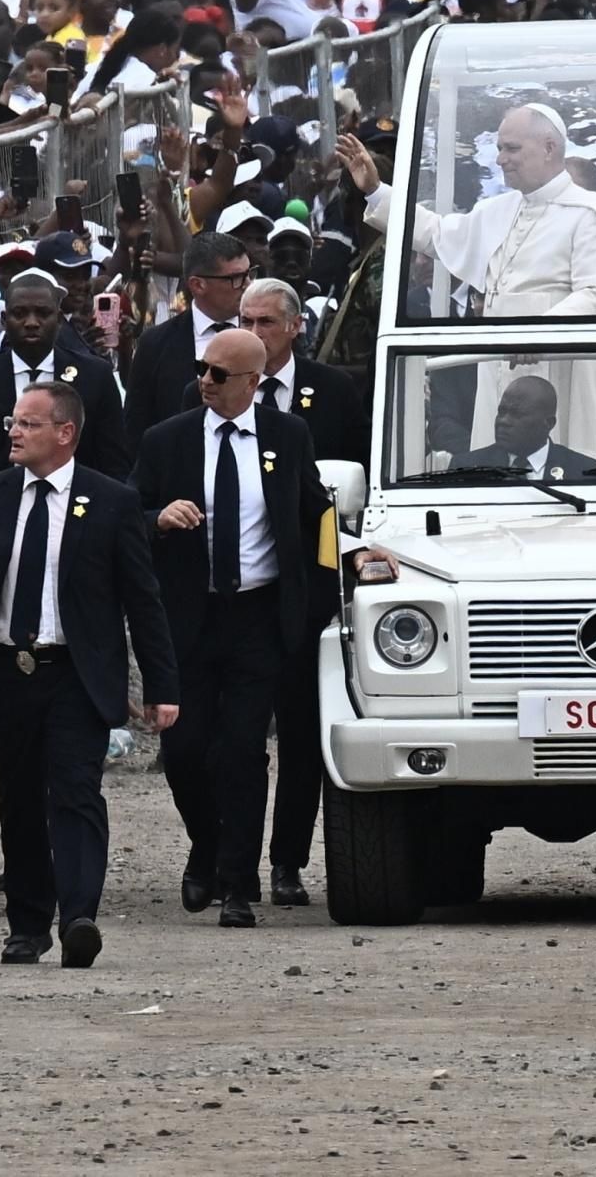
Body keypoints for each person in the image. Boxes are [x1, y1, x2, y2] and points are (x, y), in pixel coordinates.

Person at [0, 379, 177, 969]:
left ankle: (78, 917)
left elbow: (143, 600)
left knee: (75, 791)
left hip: (75, 672)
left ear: (65, 433)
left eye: (28, 423)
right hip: (7, 670)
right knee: (19, 797)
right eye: (13, 422)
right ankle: (27, 925)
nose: (15, 432)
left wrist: (162, 687)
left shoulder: (110, 501)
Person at [135, 328, 327, 927]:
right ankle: (208, 846)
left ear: (252, 382)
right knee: (184, 750)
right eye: (202, 369)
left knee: (243, 750)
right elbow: (126, 513)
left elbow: (313, 511)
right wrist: (158, 517)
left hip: (257, 617)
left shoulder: (286, 436)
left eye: (219, 374)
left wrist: (358, 552)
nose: (205, 382)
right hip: (189, 615)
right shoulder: (167, 440)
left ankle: (239, 882)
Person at [344, 108, 596, 460]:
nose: (501, 159)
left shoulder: (590, 212)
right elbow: (436, 233)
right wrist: (376, 191)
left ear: (549, 148)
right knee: (498, 471)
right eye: (500, 148)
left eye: (512, 149)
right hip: (502, 364)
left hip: (564, 369)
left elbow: (595, 294)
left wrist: (538, 332)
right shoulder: (498, 210)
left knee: (566, 469)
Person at [236, 275, 357, 905]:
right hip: (237, 591)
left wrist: (353, 555)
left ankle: (287, 861)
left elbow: (350, 490)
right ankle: (226, 858)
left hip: (306, 588)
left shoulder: (333, 391)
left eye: (265, 322)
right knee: (232, 738)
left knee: (303, 733)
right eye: (245, 321)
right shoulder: (215, 388)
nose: (254, 333)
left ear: (293, 326)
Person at [0, 270, 129, 483]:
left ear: (59, 320)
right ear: (5, 320)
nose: (31, 322)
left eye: (43, 313)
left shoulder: (95, 377)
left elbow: (114, 464)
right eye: (20, 313)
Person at [126, 233, 254, 445]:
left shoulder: (265, 331)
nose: (247, 285)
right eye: (235, 278)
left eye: (249, 274)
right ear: (198, 285)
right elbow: (137, 428)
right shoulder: (156, 344)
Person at [460, 373, 596, 478]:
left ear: (548, 423)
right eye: (501, 412)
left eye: (517, 414)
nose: (503, 421)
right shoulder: (467, 468)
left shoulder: (587, 472)